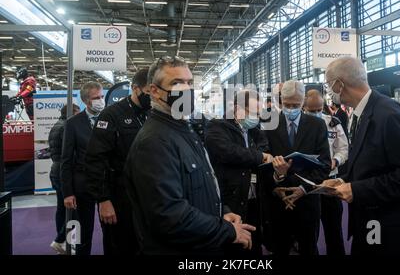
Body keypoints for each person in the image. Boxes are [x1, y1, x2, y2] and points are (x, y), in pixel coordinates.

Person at [124, 56, 256, 255]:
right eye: (176, 83)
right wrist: (225, 230)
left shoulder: (184, 130)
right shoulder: (154, 142)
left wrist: (222, 213)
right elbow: (169, 215)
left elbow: (200, 185)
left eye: (189, 82)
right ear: (154, 91)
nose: (186, 89)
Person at [322, 57, 400, 255]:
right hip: (374, 223)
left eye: (328, 84)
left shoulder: (389, 114)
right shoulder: (363, 113)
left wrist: (357, 189)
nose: (328, 91)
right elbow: (374, 164)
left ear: (340, 84)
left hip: (398, 230)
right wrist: (342, 180)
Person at [84, 68, 150, 255]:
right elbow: (95, 160)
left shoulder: (151, 114)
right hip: (118, 197)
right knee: (119, 246)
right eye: (148, 92)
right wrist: (103, 200)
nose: (152, 97)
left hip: (145, 196)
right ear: (136, 89)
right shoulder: (111, 115)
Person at [263, 80, 331, 255]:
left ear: (303, 103)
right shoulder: (269, 123)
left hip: (307, 200)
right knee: (279, 249)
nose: (291, 109)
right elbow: (263, 161)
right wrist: (278, 181)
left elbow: (324, 164)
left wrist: (303, 188)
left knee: (309, 248)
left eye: (296, 105)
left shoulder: (317, 125)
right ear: (280, 101)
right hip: (279, 199)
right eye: (287, 104)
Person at [205, 89, 272, 255]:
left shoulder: (254, 130)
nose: (256, 117)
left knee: (254, 246)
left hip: (254, 200)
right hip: (230, 202)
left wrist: (259, 156)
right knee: (233, 248)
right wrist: (259, 156)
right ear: (237, 109)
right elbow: (229, 152)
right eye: (253, 112)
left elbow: (264, 148)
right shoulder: (217, 126)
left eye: (258, 113)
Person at [61, 82, 105, 255]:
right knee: (81, 234)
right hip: (82, 187)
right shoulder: (73, 124)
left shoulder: (110, 117)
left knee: (112, 233)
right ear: (86, 101)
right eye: (96, 98)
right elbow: (66, 159)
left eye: (101, 97)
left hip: (106, 186)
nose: (100, 101)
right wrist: (67, 192)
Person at [304, 89, 348, 255]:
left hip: (330, 182)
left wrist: (335, 160)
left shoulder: (333, 122)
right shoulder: (299, 125)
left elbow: (343, 148)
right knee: (309, 233)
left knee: (334, 230)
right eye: (311, 110)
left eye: (319, 109)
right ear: (304, 107)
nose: (316, 113)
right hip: (309, 184)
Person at [48, 103, 80, 254]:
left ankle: (65, 242)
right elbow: (70, 153)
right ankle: (62, 240)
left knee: (62, 208)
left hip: (56, 169)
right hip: (65, 171)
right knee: (73, 208)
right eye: (77, 113)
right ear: (72, 113)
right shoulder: (67, 126)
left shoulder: (57, 125)